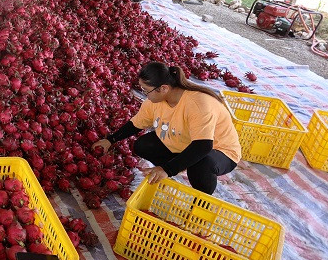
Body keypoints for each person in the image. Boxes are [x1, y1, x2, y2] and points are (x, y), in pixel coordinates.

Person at [94, 62, 241, 195]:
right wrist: (110, 140)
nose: (144, 95)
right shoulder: (154, 101)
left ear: (163, 88)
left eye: (146, 90)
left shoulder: (197, 103)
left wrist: (167, 169)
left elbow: (203, 145)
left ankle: (201, 202)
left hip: (220, 150)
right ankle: (179, 165)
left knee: (201, 164)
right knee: (143, 145)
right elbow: (136, 124)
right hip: (186, 142)